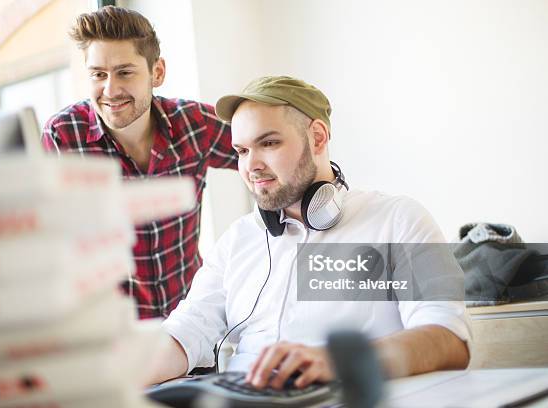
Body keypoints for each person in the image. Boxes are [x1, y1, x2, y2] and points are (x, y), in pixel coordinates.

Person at [148, 76, 472, 389]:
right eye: (242, 151)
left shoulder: (397, 219)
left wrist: (339, 361)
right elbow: (188, 329)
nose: (251, 166)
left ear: (317, 137)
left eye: (269, 143)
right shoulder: (238, 238)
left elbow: (448, 339)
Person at [41, 6, 237, 319]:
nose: (110, 89)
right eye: (98, 75)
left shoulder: (194, 124)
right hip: (112, 335)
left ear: (157, 72)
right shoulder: (64, 137)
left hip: (191, 326)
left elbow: (265, 157)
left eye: (124, 72)